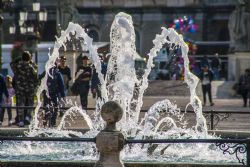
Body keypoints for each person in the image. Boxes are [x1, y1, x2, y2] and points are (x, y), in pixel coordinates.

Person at [14, 51, 39, 127]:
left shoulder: (17, 66)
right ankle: (28, 117)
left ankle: (21, 121)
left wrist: (20, 58)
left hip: (20, 88)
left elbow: (12, 63)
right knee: (31, 103)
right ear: (29, 58)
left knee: (20, 104)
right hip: (30, 88)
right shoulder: (31, 66)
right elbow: (35, 76)